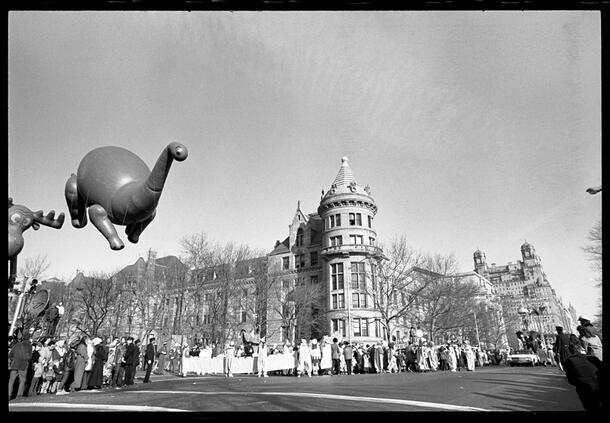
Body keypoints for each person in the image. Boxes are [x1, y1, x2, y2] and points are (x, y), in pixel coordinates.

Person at [563, 340, 603, 411]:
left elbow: (571, 380)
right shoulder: (592, 357)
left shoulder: (568, 361)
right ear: (581, 349)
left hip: (585, 388)